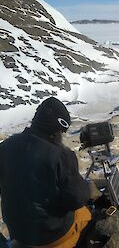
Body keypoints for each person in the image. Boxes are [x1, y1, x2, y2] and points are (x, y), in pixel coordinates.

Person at [0, 97, 94, 248]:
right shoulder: (61, 155)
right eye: (62, 131)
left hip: (17, 232)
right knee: (86, 214)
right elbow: (77, 199)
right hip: (49, 235)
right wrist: (88, 189)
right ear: (56, 130)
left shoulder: (5, 146)